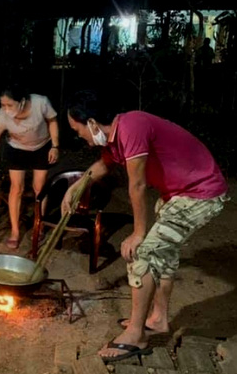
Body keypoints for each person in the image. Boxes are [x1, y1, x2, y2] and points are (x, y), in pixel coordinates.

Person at [62, 90, 228, 363]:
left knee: (144, 252)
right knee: (163, 252)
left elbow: (137, 185)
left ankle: (136, 336)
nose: (78, 135)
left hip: (200, 192)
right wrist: (77, 188)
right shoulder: (114, 140)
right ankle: (158, 319)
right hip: (178, 194)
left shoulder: (132, 126)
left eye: (77, 129)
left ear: (91, 122)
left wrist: (139, 233)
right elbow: (104, 166)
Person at [0, 84, 60, 249]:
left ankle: (39, 225)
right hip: (16, 148)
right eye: (3, 105)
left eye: (10, 105)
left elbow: (52, 121)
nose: (6, 109)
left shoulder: (40, 103)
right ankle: (15, 231)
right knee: (16, 188)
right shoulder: (1, 117)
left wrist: (55, 146)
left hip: (41, 146)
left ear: (21, 101)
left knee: (39, 187)